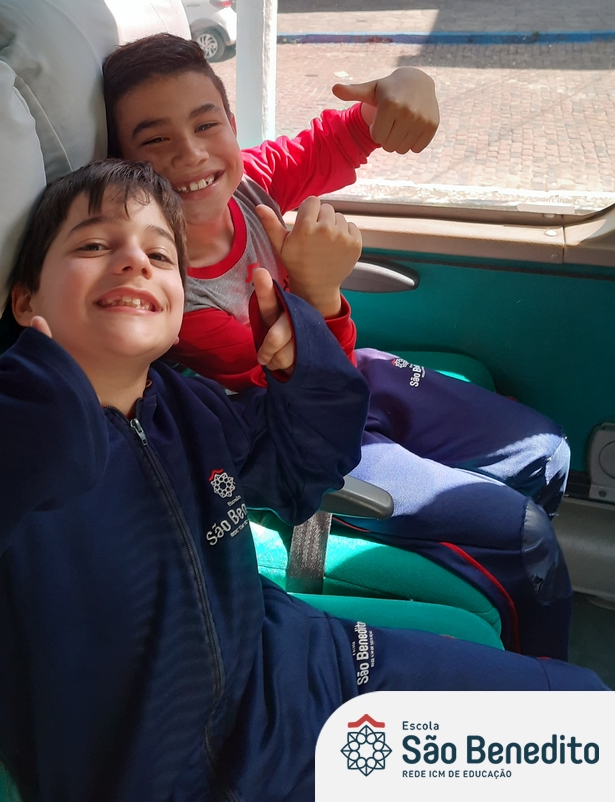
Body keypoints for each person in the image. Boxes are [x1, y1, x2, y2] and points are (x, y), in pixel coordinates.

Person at [0, 160, 605, 802]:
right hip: (194, 780)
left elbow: (305, 470)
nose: (134, 259)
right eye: (94, 245)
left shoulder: (183, 406)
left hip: (311, 673)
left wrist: (303, 359)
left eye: (159, 254)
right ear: (23, 299)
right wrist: (19, 436)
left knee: (583, 730)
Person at [102, 35, 573, 659]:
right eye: (155, 140)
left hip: (341, 377)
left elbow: (333, 141)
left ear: (231, 125)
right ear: (125, 165)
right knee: (527, 537)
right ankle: (539, 675)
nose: (191, 154)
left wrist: (405, 87)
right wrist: (319, 293)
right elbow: (317, 400)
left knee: (547, 452)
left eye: (206, 124)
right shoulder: (168, 294)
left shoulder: (249, 186)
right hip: (291, 429)